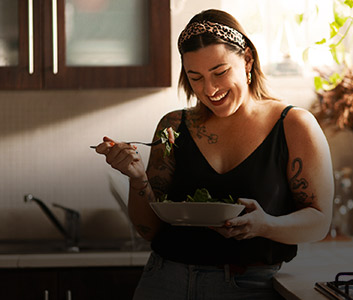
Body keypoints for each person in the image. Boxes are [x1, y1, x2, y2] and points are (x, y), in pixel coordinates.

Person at [95, 8, 334, 300]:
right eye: (195, 77)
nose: (209, 89)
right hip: (163, 281)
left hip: (250, 287)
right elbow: (148, 230)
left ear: (247, 59)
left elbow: (319, 222)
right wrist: (137, 178)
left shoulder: (293, 126)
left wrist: (264, 225)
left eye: (220, 72)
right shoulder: (173, 126)